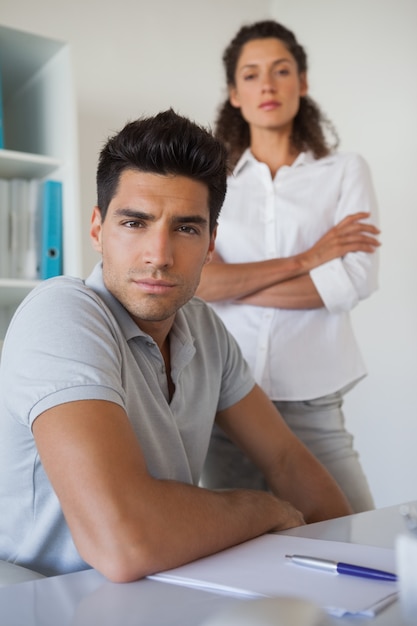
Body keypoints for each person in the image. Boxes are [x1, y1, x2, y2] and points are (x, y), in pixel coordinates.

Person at [0, 109, 351, 582]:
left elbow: (287, 460)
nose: (159, 256)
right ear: (97, 229)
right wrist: (263, 508)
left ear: (210, 244)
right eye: (134, 223)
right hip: (49, 599)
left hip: (167, 588)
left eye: (186, 228)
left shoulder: (204, 328)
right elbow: (123, 543)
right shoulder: (61, 314)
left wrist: (343, 570)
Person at [196, 20, 380, 513]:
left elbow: (352, 280)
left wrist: (230, 285)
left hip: (313, 396)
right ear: (235, 93)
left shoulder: (344, 171)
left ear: (303, 82)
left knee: (356, 535)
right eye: (252, 75)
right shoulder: (214, 182)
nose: (268, 85)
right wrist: (308, 260)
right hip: (225, 400)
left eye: (281, 70)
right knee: (227, 558)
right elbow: (198, 281)